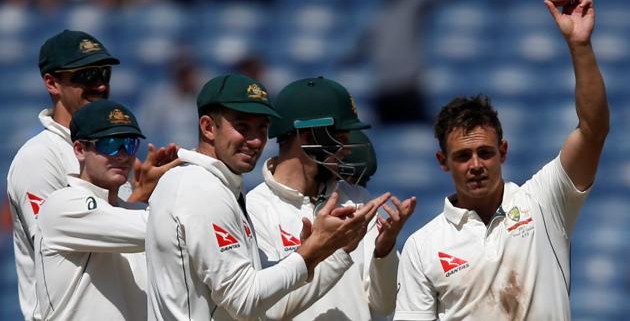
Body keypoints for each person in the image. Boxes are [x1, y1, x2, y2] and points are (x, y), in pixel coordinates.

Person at [394, 0, 608, 320]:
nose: (476, 165)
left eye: (485, 152)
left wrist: (580, 45)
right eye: (463, 156)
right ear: (443, 162)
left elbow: (593, 131)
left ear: (503, 152)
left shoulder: (543, 202)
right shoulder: (423, 247)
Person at [145, 74, 388, 321]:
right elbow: (244, 302)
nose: (255, 141)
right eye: (242, 127)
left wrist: (324, 252)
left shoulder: (218, 187)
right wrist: (315, 250)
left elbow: (263, 303)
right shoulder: (201, 189)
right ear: (208, 127)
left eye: (262, 128)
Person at [6, 29, 176, 321]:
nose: (99, 85)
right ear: (52, 83)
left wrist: (138, 197)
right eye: (86, 76)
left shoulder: (111, 154)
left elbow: (107, 233)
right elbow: (58, 248)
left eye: (103, 74)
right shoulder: (39, 157)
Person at [246, 76, 416, 320]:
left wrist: (384, 250)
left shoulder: (356, 198)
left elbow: (384, 304)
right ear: (306, 136)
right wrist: (332, 250)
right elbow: (272, 310)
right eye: (341, 138)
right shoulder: (254, 210)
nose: (347, 149)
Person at [34, 99, 177, 321]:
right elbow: (163, 229)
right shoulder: (62, 205)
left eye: (129, 144)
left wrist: (148, 197)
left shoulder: (131, 210)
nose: (122, 155)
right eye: (109, 143)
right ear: (80, 150)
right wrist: (186, 184)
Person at [343, 0, 477, 124]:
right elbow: (359, 51)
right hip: (388, 90)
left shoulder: (407, 6)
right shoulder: (379, 16)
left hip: (403, 88)